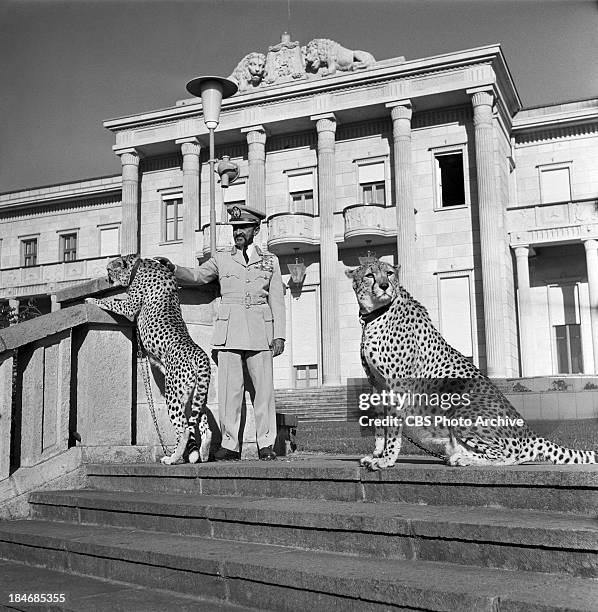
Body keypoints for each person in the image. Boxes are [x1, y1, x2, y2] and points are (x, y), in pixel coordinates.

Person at [157, 204, 285, 461]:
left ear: (256, 229)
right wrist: (173, 269)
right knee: (230, 391)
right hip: (229, 331)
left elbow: (277, 300)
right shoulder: (222, 257)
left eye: (244, 228)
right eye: (235, 228)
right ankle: (229, 444)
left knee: (264, 391)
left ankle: (267, 444)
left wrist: (279, 334)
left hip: (261, 330)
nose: (238, 232)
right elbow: (198, 275)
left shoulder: (271, 261)